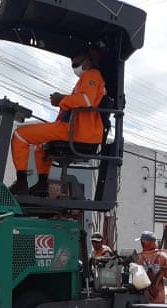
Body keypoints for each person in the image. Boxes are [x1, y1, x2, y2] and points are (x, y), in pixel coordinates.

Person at [9, 47, 107, 197]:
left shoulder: (91, 75)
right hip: (74, 129)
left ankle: (22, 183)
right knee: (40, 146)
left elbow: (86, 100)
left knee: (20, 135)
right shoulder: (85, 79)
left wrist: (61, 99)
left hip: (78, 131)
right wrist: (62, 100)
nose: (75, 67)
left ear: (87, 62)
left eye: (77, 63)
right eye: (73, 64)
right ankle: (42, 184)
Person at [135, 231, 167, 305]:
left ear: (144, 242)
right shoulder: (162, 256)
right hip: (159, 298)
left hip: (142, 298)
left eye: (142, 241)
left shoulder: (138, 257)